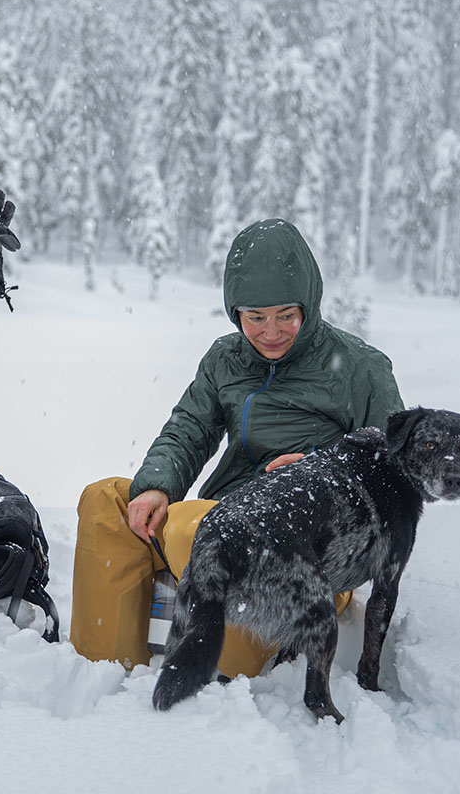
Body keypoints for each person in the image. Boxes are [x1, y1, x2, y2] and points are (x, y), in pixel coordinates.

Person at [69, 218, 404, 678]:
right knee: (106, 500)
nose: (271, 332)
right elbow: (188, 428)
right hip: (223, 512)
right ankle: (105, 673)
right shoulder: (225, 360)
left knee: (194, 528)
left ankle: (217, 679)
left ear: (309, 304)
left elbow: (394, 476)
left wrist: (317, 471)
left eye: (286, 315)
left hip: (309, 554)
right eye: (255, 317)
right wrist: (158, 486)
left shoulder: (360, 369)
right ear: (235, 312)